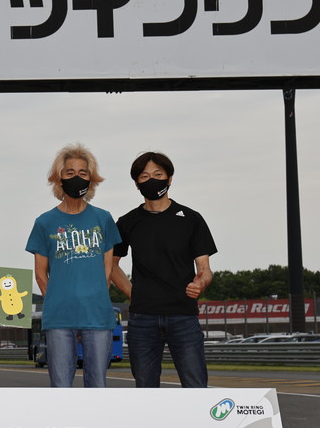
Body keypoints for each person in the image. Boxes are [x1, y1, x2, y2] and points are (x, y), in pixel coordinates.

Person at [110, 152, 217, 388]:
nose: (152, 180)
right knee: (146, 389)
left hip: (183, 316)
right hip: (142, 318)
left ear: (169, 179)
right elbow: (111, 264)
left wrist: (201, 282)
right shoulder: (127, 221)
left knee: (196, 386)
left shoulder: (191, 219)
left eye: (158, 175)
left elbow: (205, 269)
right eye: (145, 176)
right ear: (136, 183)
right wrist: (133, 293)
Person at [26, 144, 120, 388]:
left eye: (82, 173)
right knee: (61, 388)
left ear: (91, 178)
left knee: (97, 385)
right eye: (70, 172)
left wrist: (95, 297)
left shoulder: (103, 218)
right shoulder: (44, 222)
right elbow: (40, 274)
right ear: (59, 178)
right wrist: (57, 301)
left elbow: (107, 268)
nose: (76, 177)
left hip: (97, 315)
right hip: (59, 316)